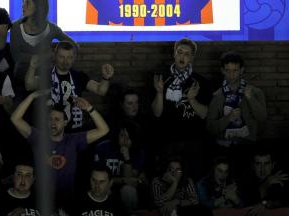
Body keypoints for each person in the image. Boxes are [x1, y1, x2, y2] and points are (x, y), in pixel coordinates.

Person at [10, 90, 109, 211]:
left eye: (57, 119)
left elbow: (104, 130)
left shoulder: (74, 140)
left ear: (65, 122)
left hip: (67, 201)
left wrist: (89, 108)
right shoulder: (38, 137)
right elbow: (15, 118)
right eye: (50, 119)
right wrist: (32, 96)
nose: (52, 122)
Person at [152, 38, 211, 178]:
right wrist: (159, 92)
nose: (182, 57)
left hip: (193, 141)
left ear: (191, 58)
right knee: (167, 179)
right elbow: (156, 113)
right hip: (168, 140)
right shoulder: (161, 78)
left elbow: (204, 114)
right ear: (174, 54)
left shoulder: (200, 82)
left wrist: (192, 99)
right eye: (179, 52)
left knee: (192, 178)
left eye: (186, 54)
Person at [25, 41, 114, 132]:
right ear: (55, 56)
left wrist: (106, 78)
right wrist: (32, 67)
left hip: (73, 132)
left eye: (69, 57)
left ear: (74, 58)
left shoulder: (79, 76)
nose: (65, 61)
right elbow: (29, 85)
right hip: (47, 132)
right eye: (61, 57)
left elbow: (100, 90)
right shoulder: (46, 74)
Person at [207, 51, 267, 165]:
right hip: (223, 148)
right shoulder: (217, 95)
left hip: (247, 147)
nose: (231, 75)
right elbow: (210, 127)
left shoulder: (255, 92)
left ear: (241, 70)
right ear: (222, 71)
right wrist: (228, 118)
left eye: (235, 70)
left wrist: (250, 98)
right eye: (228, 70)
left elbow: (262, 118)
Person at [9, 0, 76, 84]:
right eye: (23, 2)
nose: (23, 6)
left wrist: (56, 54)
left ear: (38, 6)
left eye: (27, 3)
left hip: (46, 77)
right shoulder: (15, 27)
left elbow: (74, 45)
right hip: (21, 76)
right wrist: (43, 56)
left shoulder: (51, 28)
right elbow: (16, 56)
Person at [93, 121, 148, 213]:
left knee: (128, 190)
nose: (125, 140)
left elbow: (129, 179)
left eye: (129, 137)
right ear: (117, 136)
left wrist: (127, 158)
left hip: (125, 189)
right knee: (103, 189)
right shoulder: (103, 147)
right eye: (122, 135)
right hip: (104, 186)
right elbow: (97, 177)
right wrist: (123, 180)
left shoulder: (139, 152)